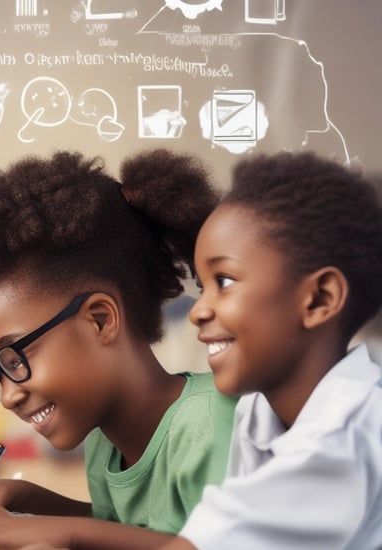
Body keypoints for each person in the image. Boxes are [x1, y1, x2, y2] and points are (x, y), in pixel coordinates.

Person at [0, 149, 237, 549]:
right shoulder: (105, 441)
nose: (7, 396)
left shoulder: (214, 423)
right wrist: (34, 503)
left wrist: (58, 532)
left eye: (15, 358)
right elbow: (137, 531)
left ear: (100, 320)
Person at [152, 150, 382, 549]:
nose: (199, 311)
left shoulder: (343, 436)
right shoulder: (258, 412)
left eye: (223, 281)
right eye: (201, 286)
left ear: (318, 300)